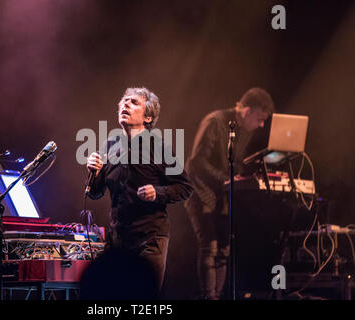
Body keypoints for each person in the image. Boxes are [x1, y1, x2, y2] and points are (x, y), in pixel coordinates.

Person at [86, 87, 193, 291]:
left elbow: (185, 187)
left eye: (134, 102)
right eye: (124, 100)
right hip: (117, 241)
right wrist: (94, 172)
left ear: (148, 117)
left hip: (149, 239)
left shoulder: (158, 148)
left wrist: (157, 193)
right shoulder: (110, 146)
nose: (125, 104)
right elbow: (95, 192)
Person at [185, 87, 275, 300]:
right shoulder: (215, 121)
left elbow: (232, 164)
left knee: (224, 250)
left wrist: (251, 172)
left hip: (221, 194)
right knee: (210, 247)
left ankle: (217, 295)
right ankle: (210, 297)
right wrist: (226, 178)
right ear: (246, 110)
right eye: (260, 118)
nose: (261, 125)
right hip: (201, 192)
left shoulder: (245, 130)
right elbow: (197, 161)